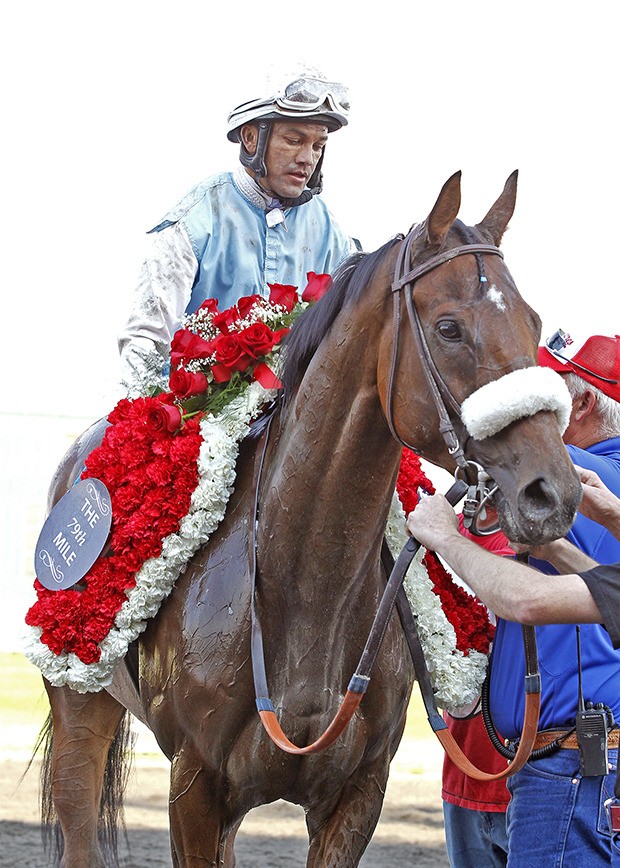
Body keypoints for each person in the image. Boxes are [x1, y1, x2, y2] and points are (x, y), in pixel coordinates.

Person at [414, 330, 620, 866]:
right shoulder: (593, 488)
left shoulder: (571, 470)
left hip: (569, 774)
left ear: (583, 402)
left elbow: (528, 602)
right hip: (574, 771)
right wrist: (561, 544)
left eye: (548, 395)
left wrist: (446, 538)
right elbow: (605, 589)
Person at [117, 67, 356, 396]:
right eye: (294, 140)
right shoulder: (197, 217)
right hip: (198, 416)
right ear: (251, 138)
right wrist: (142, 425)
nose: (307, 158)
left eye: (317, 145)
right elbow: (146, 336)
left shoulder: (331, 232)